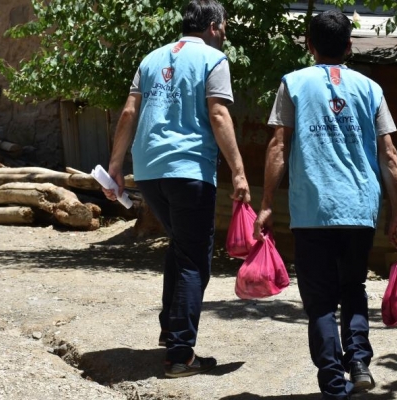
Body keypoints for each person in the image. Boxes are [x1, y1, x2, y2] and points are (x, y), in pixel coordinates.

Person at [252, 10, 397, 400]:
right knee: (353, 286)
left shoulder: (294, 84)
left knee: (320, 300)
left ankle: (332, 385)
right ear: (350, 46)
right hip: (359, 208)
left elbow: (278, 147)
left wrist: (267, 203)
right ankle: (358, 362)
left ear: (310, 45)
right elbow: (389, 156)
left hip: (313, 211)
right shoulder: (371, 89)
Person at [104, 0, 250, 379]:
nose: (226, 33)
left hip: (150, 171)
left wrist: (116, 166)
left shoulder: (151, 59)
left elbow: (129, 112)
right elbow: (218, 114)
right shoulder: (214, 61)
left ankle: (171, 329)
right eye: (226, 26)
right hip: (189, 171)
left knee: (181, 246)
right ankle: (180, 355)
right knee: (193, 258)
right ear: (214, 26)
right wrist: (239, 172)